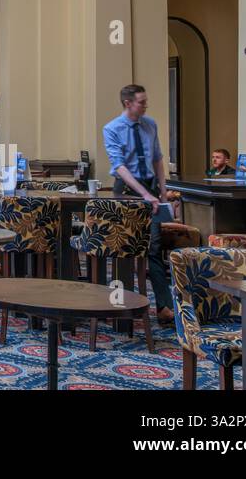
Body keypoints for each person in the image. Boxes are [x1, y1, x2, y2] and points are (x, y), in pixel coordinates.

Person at [102, 84, 175, 325]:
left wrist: (162, 194)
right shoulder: (112, 128)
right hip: (126, 189)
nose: (145, 105)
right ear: (127, 103)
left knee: (153, 247)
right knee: (122, 249)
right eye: (141, 102)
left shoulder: (150, 124)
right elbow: (119, 167)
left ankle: (163, 306)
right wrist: (144, 194)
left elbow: (157, 159)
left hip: (150, 187)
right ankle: (118, 306)